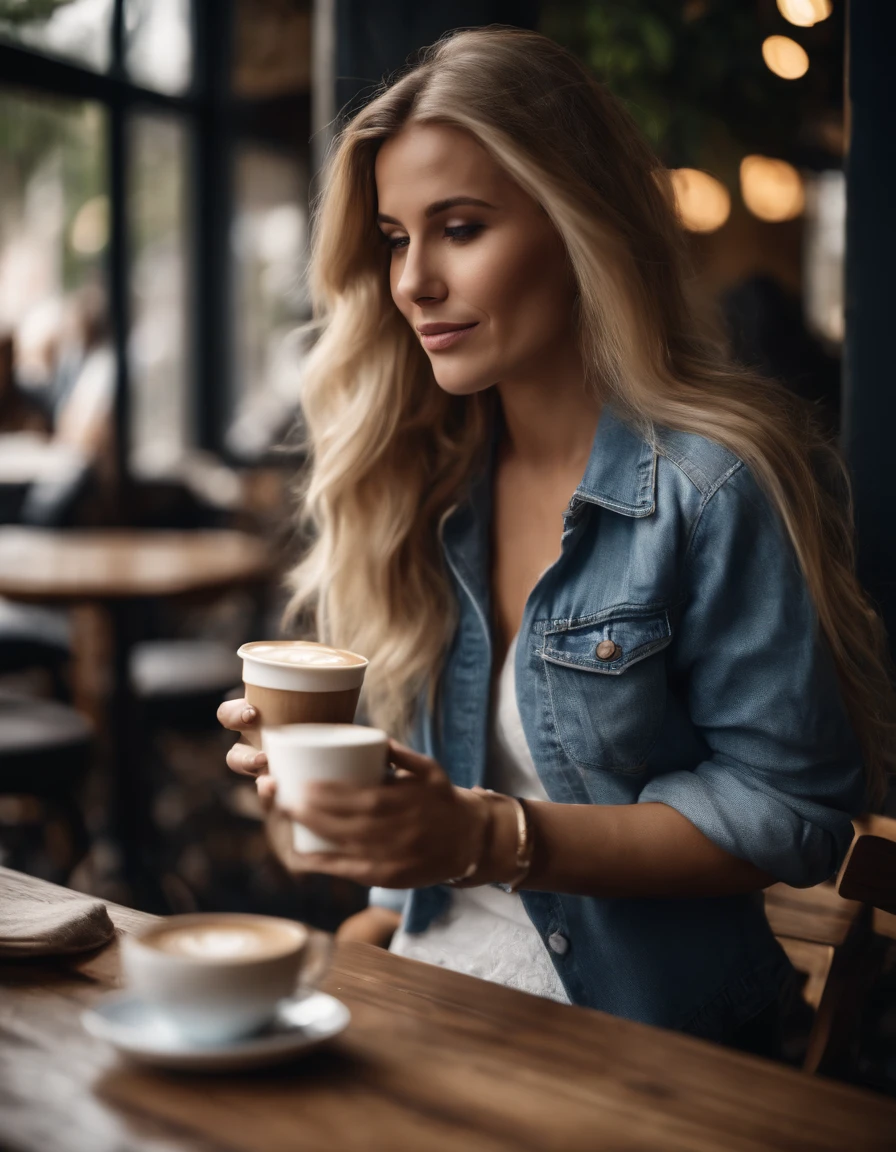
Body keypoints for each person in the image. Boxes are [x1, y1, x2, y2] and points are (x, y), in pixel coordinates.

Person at [218, 27, 895, 1054]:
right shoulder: (418, 483)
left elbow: (790, 811)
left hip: (640, 1035)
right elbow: (414, 836)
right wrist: (337, 819)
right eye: (395, 238)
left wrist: (488, 836)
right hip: (429, 987)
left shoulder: (707, 489)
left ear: (579, 227)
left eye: (458, 227)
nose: (410, 282)